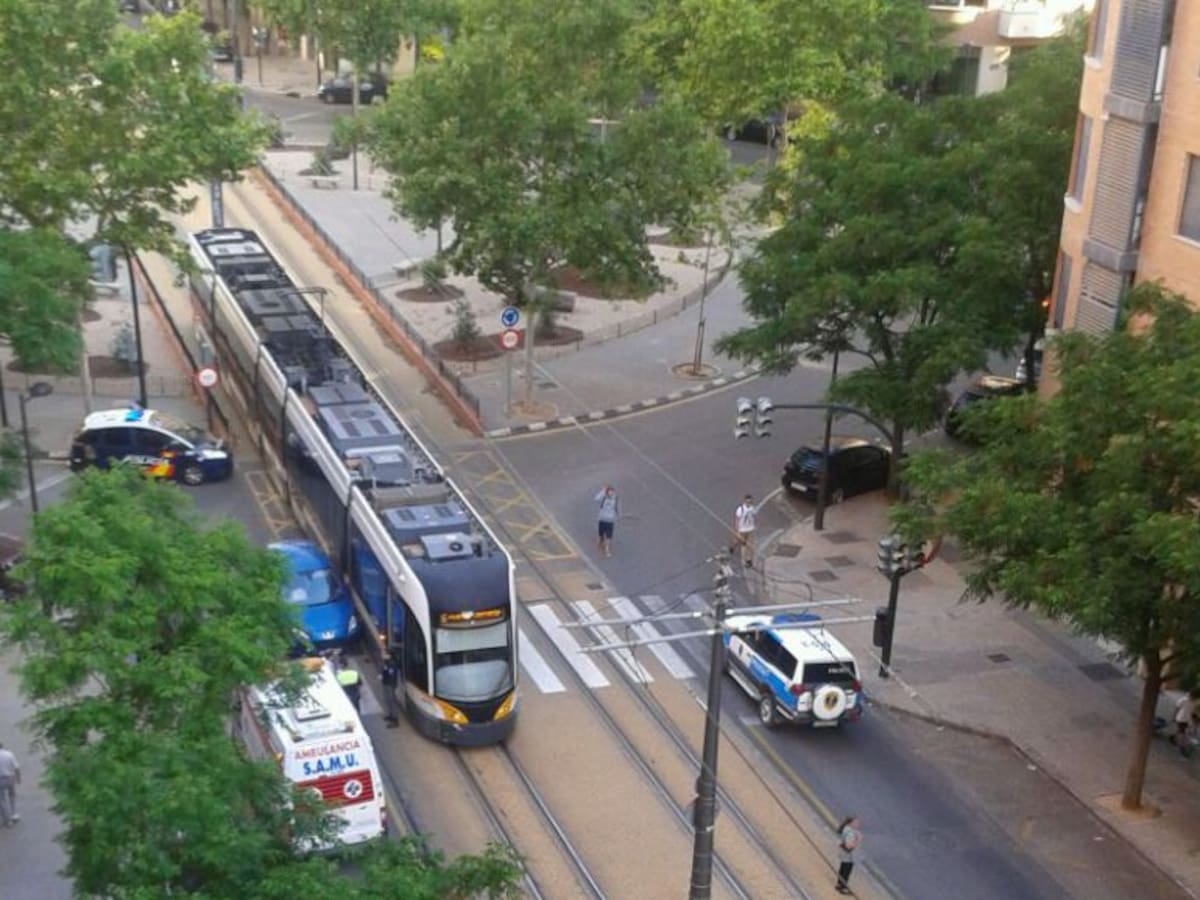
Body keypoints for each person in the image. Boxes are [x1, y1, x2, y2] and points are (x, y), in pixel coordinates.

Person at [835, 815, 861, 894]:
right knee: (846, 871)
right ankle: (843, 887)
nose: (858, 824)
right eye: (856, 823)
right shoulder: (850, 833)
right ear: (851, 823)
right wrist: (858, 840)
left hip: (843, 853)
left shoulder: (845, 828)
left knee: (842, 868)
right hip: (848, 855)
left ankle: (839, 884)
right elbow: (849, 846)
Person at [594, 485, 619, 558]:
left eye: (612, 492)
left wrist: (618, 516)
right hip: (602, 519)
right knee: (601, 534)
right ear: (607, 492)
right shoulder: (603, 498)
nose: (611, 494)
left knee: (608, 536)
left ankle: (607, 549)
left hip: (610, 521)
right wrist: (602, 491)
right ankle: (601, 540)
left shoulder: (615, 499)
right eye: (609, 492)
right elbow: (596, 499)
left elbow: (617, 508)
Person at [733, 494, 758, 568]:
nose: (749, 503)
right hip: (742, 530)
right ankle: (744, 561)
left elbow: (754, 516)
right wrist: (737, 531)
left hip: (750, 529)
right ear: (744, 501)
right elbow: (737, 520)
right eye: (747, 502)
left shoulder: (752, 508)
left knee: (750, 545)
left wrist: (754, 526)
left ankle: (749, 560)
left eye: (750, 502)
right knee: (743, 545)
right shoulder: (740, 509)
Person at [0, 741, 21, 827]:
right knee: (12, 795)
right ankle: (14, 814)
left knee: (2, 800)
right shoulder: (9, 754)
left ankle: (7, 820)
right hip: (10, 778)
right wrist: (18, 778)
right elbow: (16, 767)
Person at [1173, 690, 1199, 757]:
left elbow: (1192, 712)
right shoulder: (1183, 700)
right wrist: (1174, 716)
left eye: (1195, 698)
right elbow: (1177, 708)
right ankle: (1182, 746)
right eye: (1193, 697)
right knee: (1182, 732)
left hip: (1187, 720)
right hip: (1180, 718)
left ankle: (1175, 739)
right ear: (1190, 695)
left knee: (1181, 731)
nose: (1193, 698)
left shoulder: (1194, 703)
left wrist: (1194, 720)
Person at [381, 654, 400, 728]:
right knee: (387, 700)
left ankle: (395, 720)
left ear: (389, 656)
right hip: (386, 683)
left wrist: (392, 686)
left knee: (392, 701)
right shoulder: (386, 663)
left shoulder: (392, 664)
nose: (382, 655)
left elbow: (391, 675)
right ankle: (390, 715)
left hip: (390, 685)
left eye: (384, 654)